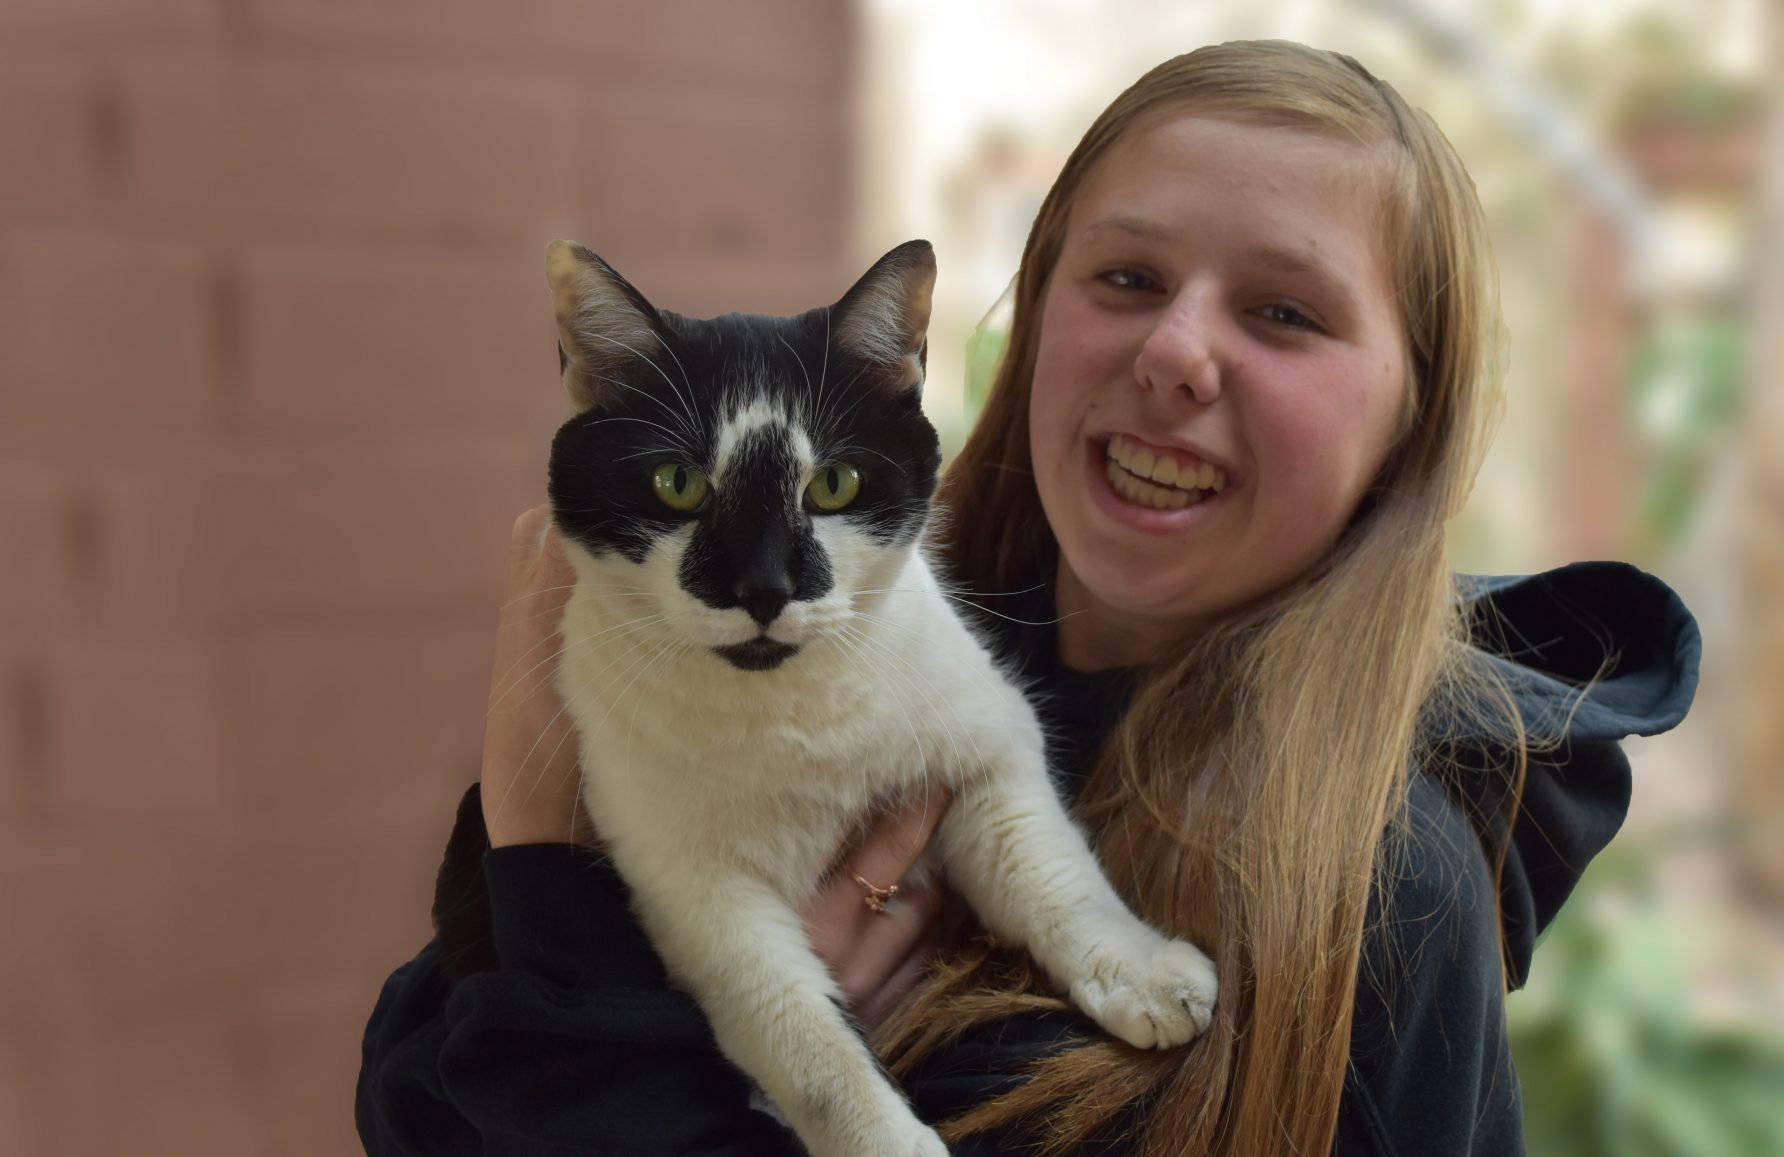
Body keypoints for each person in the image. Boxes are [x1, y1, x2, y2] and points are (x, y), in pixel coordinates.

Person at [358, 39, 1700, 1156]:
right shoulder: (806, 644)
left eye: (1286, 312)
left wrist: (643, 998)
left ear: (1412, 421)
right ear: (1034, 316)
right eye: (1126, 278)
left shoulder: (1382, 875)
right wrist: (530, 843)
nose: (1177, 353)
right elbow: (413, 1105)